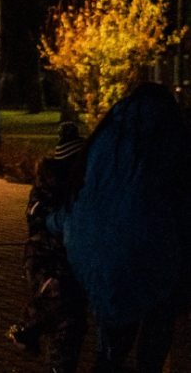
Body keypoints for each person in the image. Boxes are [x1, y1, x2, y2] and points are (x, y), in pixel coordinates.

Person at [48, 82, 191, 372]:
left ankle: (110, 358)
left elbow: (84, 199)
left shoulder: (106, 135)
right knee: (161, 305)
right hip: (149, 250)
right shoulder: (174, 139)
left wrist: (53, 223)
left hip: (89, 249)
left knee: (113, 334)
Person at [7, 122, 89, 371]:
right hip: (43, 257)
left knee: (70, 322)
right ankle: (26, 327)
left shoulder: (81, 185)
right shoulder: (50, 184)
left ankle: (58, 366)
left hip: (69, 260)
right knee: (58, 293)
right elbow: (37, 218)